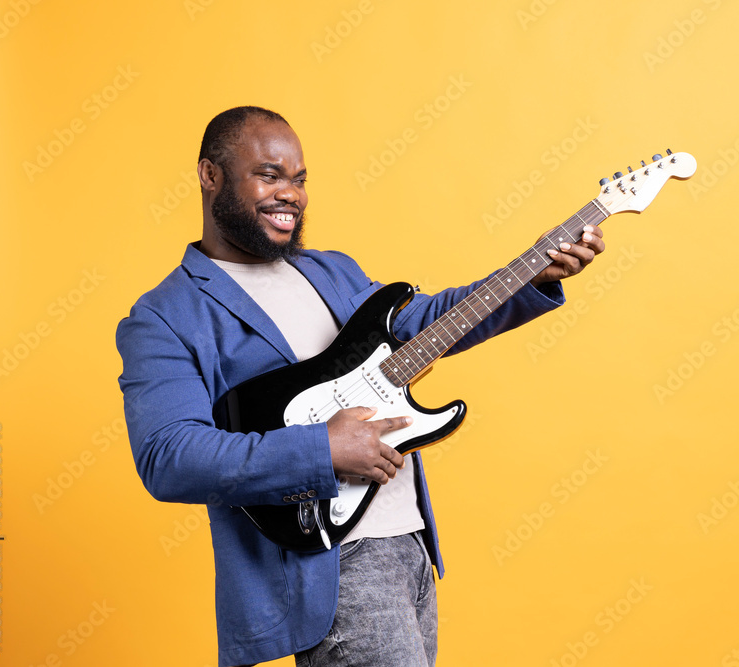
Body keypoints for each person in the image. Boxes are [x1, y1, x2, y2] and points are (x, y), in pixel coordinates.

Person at [116, 106, 604, 667]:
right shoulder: (165, 315)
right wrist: (322, 449)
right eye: (269, 175)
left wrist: (529, 273)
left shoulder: (332, 271)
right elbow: (170, 457)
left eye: (299, 179)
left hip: (411, 544)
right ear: (210, 175)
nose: (290, 194)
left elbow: (428, 324)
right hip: (331, 569)